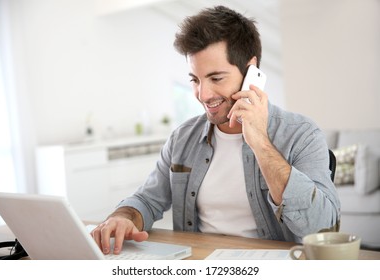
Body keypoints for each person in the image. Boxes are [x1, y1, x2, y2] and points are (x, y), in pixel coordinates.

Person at [91, 5, 341, 255]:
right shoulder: (182, 138)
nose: (203, 94)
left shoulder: (302, 134)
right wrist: (123, 217)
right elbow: (147, 200)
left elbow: (323, 231)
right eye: (195, 80)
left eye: (216, 78)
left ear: (251, 70)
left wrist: (260, 143)